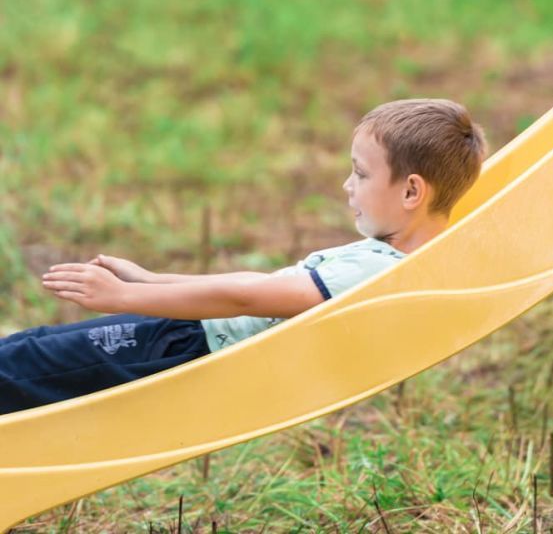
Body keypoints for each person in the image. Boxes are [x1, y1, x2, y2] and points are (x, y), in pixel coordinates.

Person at [0, 98, 487, 414]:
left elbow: (246, 297)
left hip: (187, 348)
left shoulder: (377, 269)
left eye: (360, 174)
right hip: (184, 336)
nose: (347, 185)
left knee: (24, 365)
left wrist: (125, 294)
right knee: (28, 351)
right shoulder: (395, 259)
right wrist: (153, 280)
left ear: (411, 192)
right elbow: (267, 284)